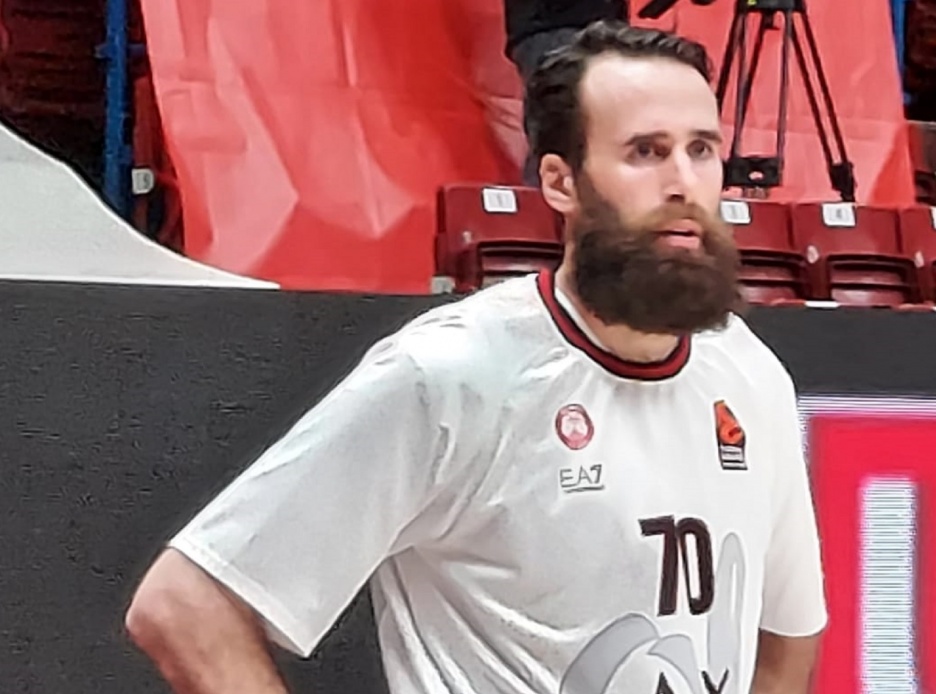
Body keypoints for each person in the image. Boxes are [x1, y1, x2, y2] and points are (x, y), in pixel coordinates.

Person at [124, 21, 828, 694]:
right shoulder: (454, 373)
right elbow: (184, 604)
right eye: (645, 152)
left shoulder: (749, 373)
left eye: (701, 150)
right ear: (560, 182)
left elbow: (787, 638)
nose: (682, 182)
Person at [504, 0, 628, 186]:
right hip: (555, 23)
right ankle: (543, 199)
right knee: (562, 129)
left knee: (581, 128)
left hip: (579, 24)